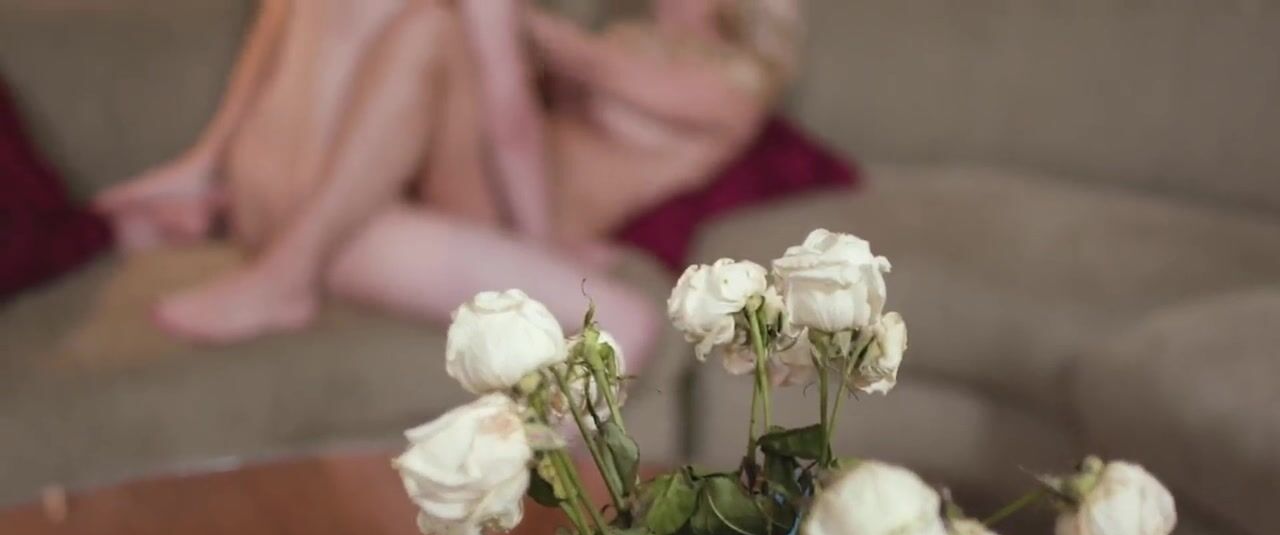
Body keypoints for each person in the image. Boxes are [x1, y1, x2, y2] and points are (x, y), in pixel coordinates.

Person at [94, 0, 800, 370]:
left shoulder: (736, 89)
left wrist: (503, 17)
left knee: (434, 28)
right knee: (438, 30)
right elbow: (511, 112)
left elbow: (570, 78)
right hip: (474, 194)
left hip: (514, 214)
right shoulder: (631, 38)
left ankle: (282, 259)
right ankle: (261, 231)